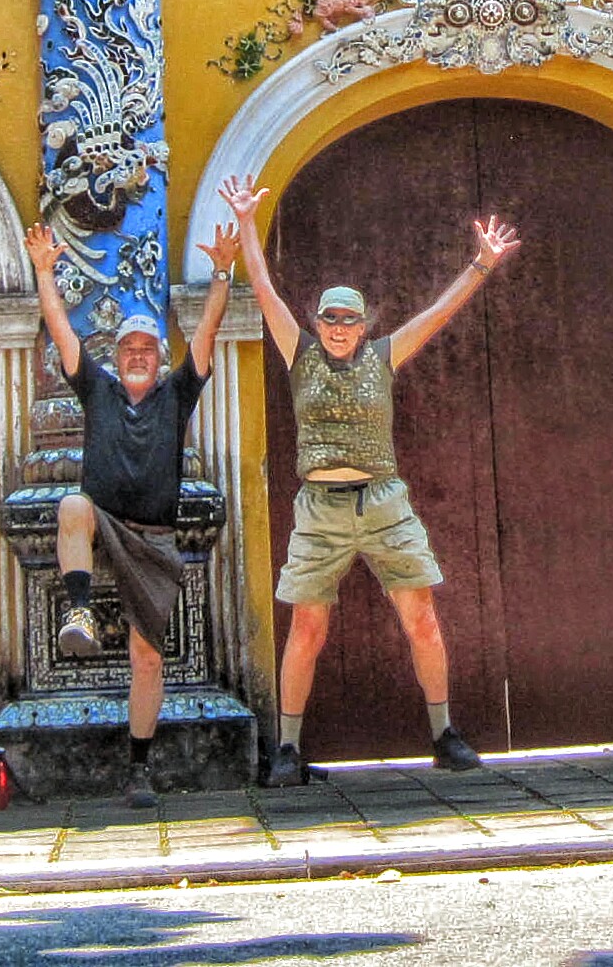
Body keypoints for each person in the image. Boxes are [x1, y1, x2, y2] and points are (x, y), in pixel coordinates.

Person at [220, 176, 520, 787]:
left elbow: (437, 315)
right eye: (329, 318)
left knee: (422, 617)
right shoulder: (300, 355)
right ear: (317, 322)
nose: (338, 327)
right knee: (308, 626)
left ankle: (444, 733)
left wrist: (482, 265)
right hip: (320, 507)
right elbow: (265, 289)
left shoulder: (383, 356)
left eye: (348, 319)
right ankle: (288, 747)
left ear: (362, 326)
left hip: (384, 501)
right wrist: (247, 223)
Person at [24, 204, 239, 809]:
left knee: (148, 659)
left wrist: (222, 274)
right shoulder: (97, 390)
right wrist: (45, 271)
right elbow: (62, 331)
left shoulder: (177, 393)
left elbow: (206, 334)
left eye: (148, 348)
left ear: (159, 357)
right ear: (116, 357)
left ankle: (139, 766)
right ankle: (80, 610)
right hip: (103, 522)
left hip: (155, 537)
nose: (139, 355)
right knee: (73, 504)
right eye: (129, 348)